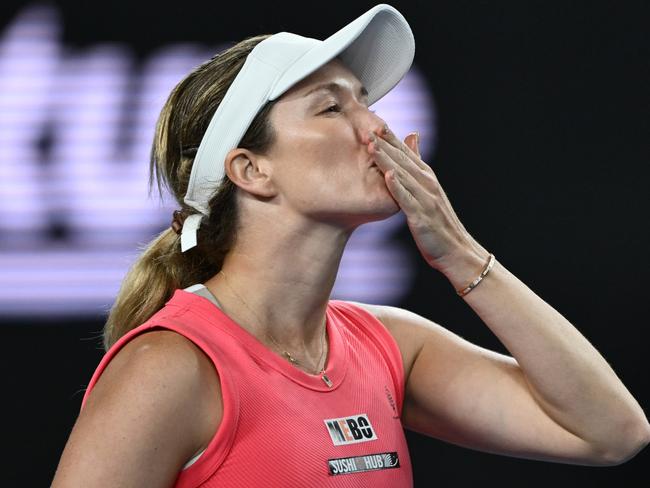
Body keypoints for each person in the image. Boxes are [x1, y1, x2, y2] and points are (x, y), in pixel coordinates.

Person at [52, 4, 649, 487]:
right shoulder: (171, 367)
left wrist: (462, 255)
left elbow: (610, 433)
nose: (377, 127)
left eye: (365, 101)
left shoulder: (389, 347)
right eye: (333, 107)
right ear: (251, 170)